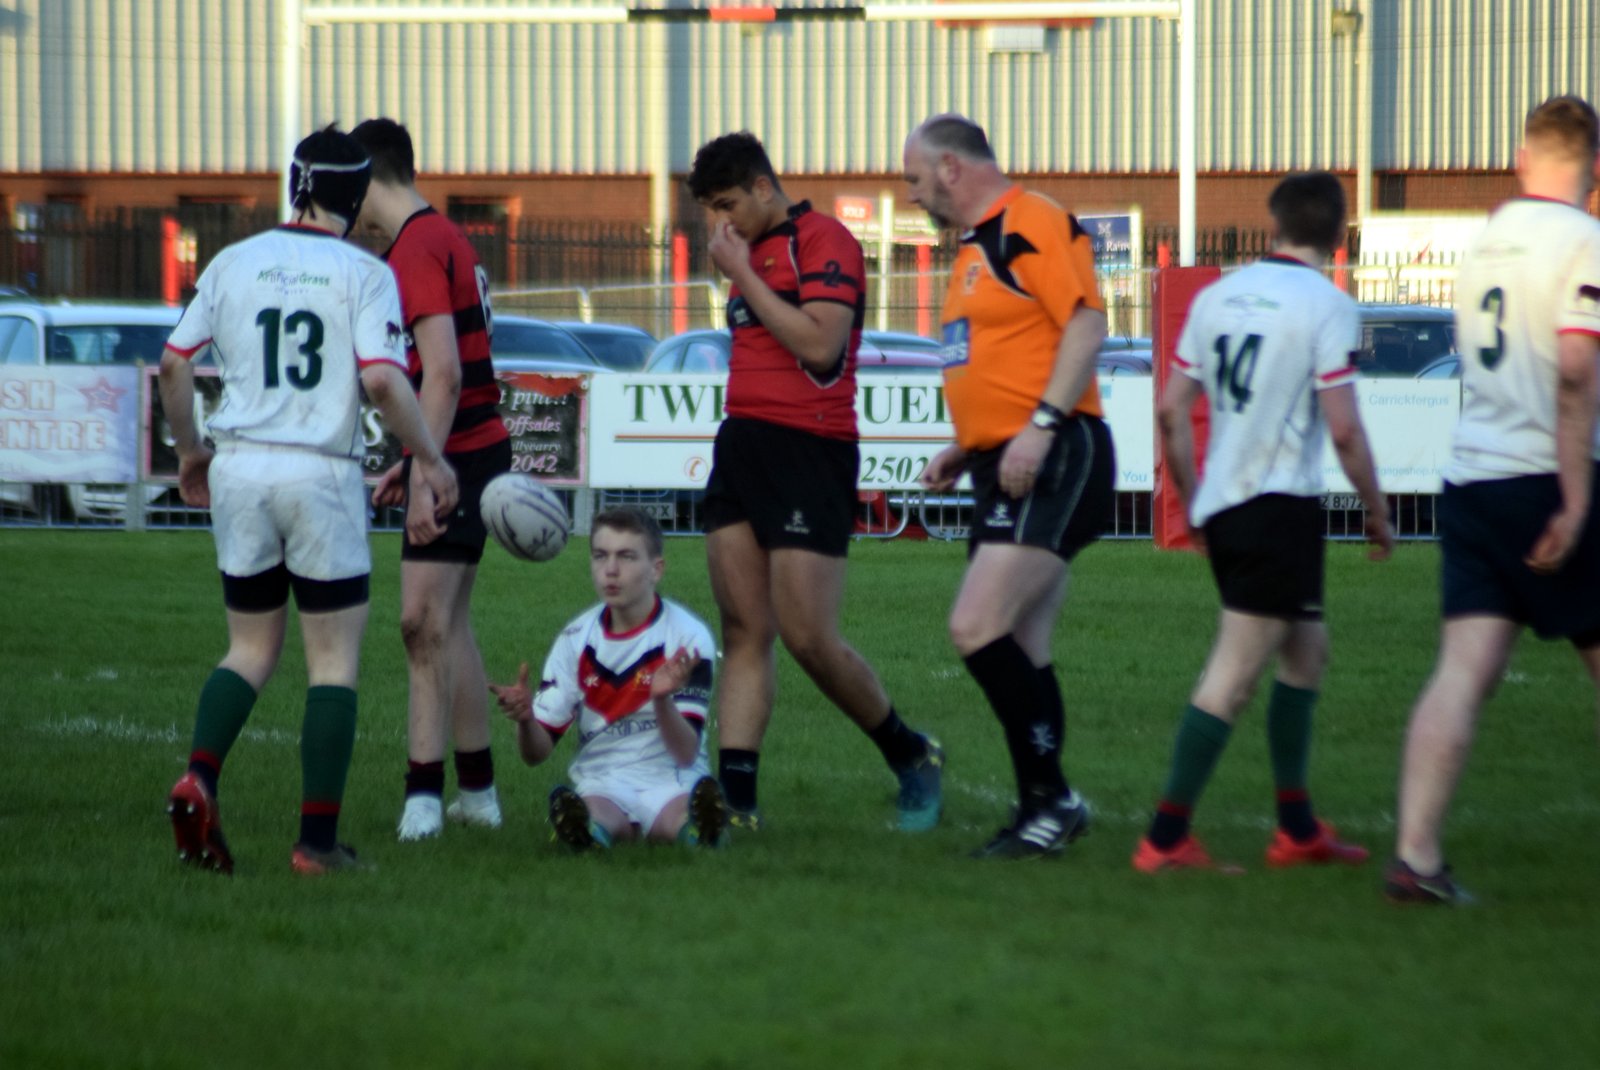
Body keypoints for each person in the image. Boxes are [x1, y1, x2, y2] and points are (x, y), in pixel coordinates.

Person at [160, 125, 458, 876]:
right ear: (353, 198)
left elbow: (173, 364)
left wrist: (191, 452)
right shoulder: (363, 272)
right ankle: (316, 845)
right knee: (332, 663)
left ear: (296, 184)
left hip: (240, 469)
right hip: (321, 474)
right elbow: (384, 379)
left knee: (249, 649)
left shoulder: (232, 261)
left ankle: (199, 776)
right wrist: (429, 458)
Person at [1131, 171, 1394, 874]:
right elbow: (1344, 429)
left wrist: (1194, 499)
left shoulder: (1217, 296)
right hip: (1278, 508)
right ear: (1338, 233)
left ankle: (1297, 829)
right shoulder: (1327, 304)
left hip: (1229, 502)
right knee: (1234, 674)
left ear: (1272, 223)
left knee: (1307, 651)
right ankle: (1165, 838)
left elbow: (1170, 410)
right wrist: (1377, 509)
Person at [685, 132, 943, 833]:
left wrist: (743, 276)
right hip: (741, 443)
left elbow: (822, 348)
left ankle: (911, 752)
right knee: (744, 628)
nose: (720, 223)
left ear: (763, 187)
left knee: (808, 637)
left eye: (727, 204)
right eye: (710, 210)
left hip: (811, 449)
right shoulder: (747, 253)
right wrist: (744, 270)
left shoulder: (825, 240)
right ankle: (736, 804)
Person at [1388, 96, 1600, 904]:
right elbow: (1575, 371)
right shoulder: (1584, 241)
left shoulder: (1484, 240)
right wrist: (1575, 501)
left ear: (1521, 158)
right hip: (1549, 476)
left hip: (1473, 476)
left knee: (1461, 673)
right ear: (1594, 169)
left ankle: (1416, 857)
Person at [905, 114, 1113, 858]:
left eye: (915, 179)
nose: (912, 195)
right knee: (1021, 640)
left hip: (1055, 453)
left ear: (951, 167)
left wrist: (1041, 425)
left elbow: (1087, 324)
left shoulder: (1030, 220)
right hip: (1008, 459)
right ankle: (1045, 809)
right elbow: (1006, 357)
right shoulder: (974, 248)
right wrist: (968, 447)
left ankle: (1051, 801)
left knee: (976, 626)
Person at [350, 118, 512, 842]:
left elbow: (442, 375)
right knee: (447, 624)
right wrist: (415, 459)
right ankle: (477, 796)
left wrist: (426, 474)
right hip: (471, 450)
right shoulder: (444, 235)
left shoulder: (415, 245)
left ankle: (423, 800)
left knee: (419, 624)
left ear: (366, 179)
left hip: (461, 456)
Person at [488, 508, 729, 850]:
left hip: (672, 775)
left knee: (677, 815)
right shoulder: (575, 639)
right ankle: (585, 831)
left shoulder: (687, 636)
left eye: (626, 557)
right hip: (603, 779)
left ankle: (699, 829)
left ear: (656, 569)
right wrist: (526, 720)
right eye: (600, 556)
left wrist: (661, 699)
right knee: (595, 812)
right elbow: (535, 755)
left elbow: (686, 752)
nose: (610, 570)